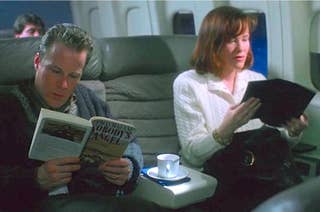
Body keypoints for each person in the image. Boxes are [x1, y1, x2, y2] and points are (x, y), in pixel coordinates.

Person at [0, 23, 164, 212]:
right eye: (55, 71)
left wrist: (128, 166)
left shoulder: (87, 98)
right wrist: (34, 179)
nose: (63, 84)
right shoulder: (7, 107)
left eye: (73, 76)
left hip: (95, 197)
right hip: (36, 203)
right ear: (37, 62)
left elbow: (128, 141)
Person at [173, 6, 308, 212]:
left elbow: (270, 140)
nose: (241, 48)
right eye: (232, 40)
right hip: (215, 177)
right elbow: (192, 156)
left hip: (259, 172)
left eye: (244, 39)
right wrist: (226, 129)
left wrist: (291, 132)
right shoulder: (188, 84)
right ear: (213, 44)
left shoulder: (256, 80)